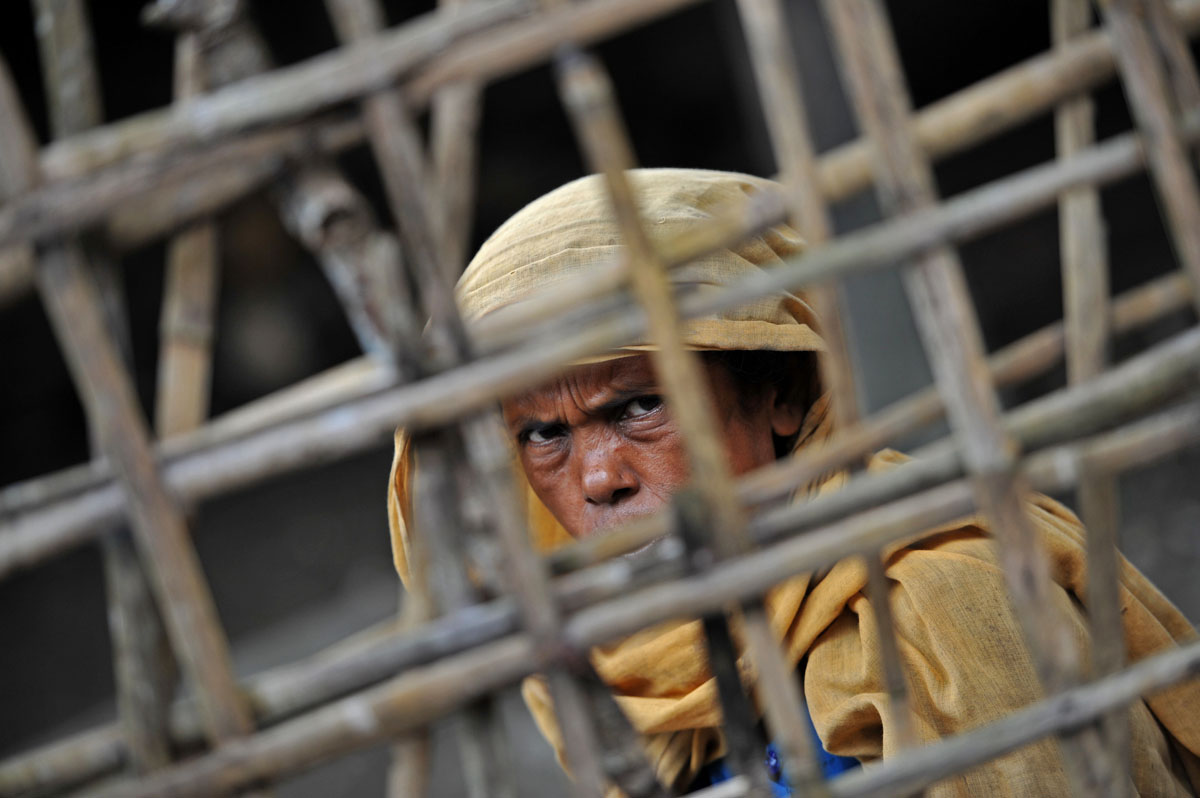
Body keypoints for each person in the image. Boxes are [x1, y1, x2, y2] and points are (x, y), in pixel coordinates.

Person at [388, 168, 1200, 795]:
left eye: (639, 407)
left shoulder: (943, 601)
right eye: (544, 435)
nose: (598, 478)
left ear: (777, 392)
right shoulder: (626, 680)